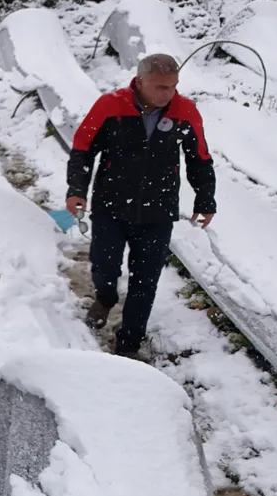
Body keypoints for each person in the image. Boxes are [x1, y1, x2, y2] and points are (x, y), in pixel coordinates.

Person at [65, 53, 216, 359]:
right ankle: (105, 298)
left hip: (158, 210)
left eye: (173, 86)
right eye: (161, 87)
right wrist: (76, 189)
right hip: (111, 204)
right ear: (140, 81)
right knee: (104, 265)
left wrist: (205, 199)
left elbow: (198, 157)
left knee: (145, 280)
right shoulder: (111, 105)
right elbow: (83, 149)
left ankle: (129, 343)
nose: (169, 93)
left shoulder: (185, 111)